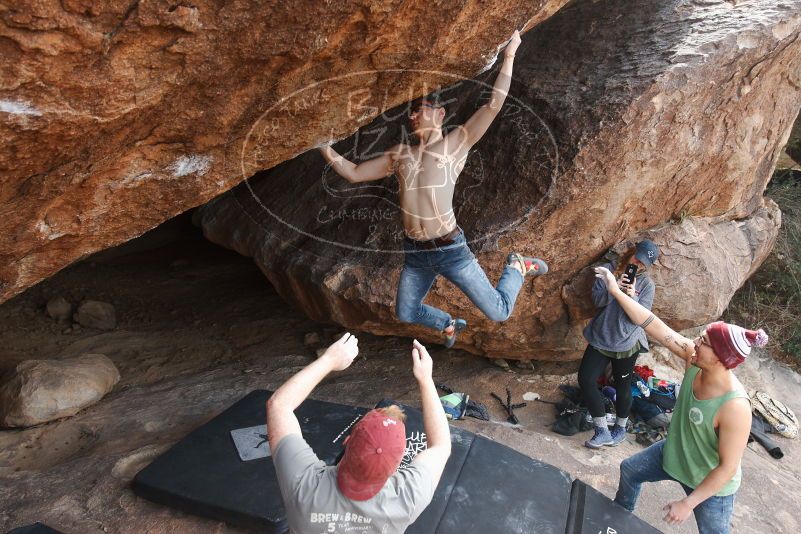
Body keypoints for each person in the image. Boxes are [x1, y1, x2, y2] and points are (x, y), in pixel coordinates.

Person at [319, 29, 548, 348]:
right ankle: (448, 324)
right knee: (406, 311)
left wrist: (509, 55)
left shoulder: (456, 142)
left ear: (440, 114)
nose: (413, 115)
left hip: (450, 250)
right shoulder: (400, 154)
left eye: (421, 109)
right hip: (415, 252)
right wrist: (323, 147)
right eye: (411, 111)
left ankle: (517, 266)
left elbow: (494, 104)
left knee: (498, 312)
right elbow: (355, 173)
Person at [594, 265, 766, 534]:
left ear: (723, 358)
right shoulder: (694, 358)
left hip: (708, 481)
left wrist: (689, 502)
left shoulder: (735, 407)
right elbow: (651, 323)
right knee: (630, 470)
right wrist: (615, 290)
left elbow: (727, 468)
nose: (695, 342)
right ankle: (616, 519)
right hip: (674, 455)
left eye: (704, 341)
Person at [267, 333, 451, 534]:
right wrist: (426, 380)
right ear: (399, 464)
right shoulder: (408, 498)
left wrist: (329, 360)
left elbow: (279, 406)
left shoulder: (304, 485)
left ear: (347, 441)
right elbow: (441, 445)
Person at [580, 240, 659, 449]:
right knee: (586, 379)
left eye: (643, 264)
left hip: (627, 342)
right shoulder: (608, 271)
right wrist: (612, 287)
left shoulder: (646, 285)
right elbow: (596, 301)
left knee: (622, 386)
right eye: (637, 258)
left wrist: (631, 296)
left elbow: (640, 319)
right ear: (631, 252)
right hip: (601, 337)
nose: (638, 265)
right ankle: (602, 430)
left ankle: (621, 428)